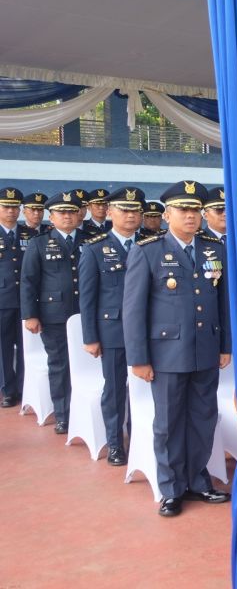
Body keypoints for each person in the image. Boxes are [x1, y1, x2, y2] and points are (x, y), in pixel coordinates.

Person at [123, 180, 231, 517]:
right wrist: (139, 358)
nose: (190, 216)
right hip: (167, 353)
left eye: (195, 210)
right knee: (169, 423)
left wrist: (225, 345)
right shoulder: (148, 250)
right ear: (167, 214)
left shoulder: (214, 249)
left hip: (205, 349)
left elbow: (223, 302)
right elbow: (133, 310)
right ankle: (171, 489)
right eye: (183, 210)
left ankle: (198, 481)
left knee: (203, 418)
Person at [79, 186, 145, 465]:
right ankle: (116, 443)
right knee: (115, 389)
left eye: (135, 210)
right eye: (124, 209)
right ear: (109, 212)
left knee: (146, 388)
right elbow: (87, 297)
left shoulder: (152, 244)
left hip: (150, 330)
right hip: (113, 330)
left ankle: (141, 437)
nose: (130, 215)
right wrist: (90, 337)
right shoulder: (95, 249)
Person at [20, 191, 85, 433]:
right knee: (60, 365)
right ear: (52, 216)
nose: (67, 216)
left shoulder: (91, 240)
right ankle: (63, 415)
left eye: (72, 211)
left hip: (87, 314)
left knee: (88, 365)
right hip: (54, 314)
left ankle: (85, 411)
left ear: (79, 214)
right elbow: (28, 281)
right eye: (61, 212)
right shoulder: (39, 243)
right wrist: (30, 315)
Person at [1, 187, 37, 408]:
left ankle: (25, 387)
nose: (11, 211)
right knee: (3, 347)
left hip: (26, 300)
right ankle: (7, 389)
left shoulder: (30, 235)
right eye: (6, 207)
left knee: (27, 346)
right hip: (3, 300)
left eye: (15, 207)